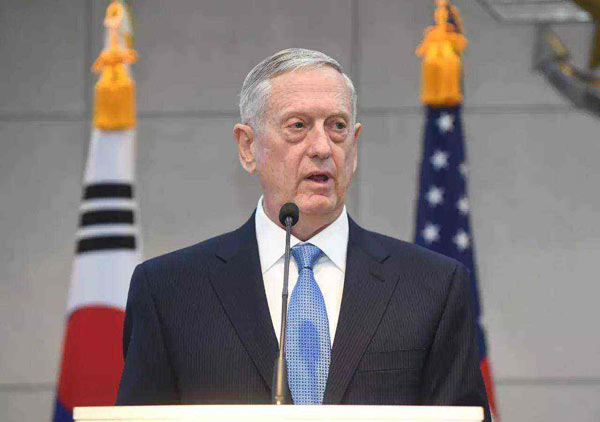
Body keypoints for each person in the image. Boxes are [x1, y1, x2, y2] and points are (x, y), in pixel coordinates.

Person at [116, 48, 490, 420]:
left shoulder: (432, 286)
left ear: (354, 145)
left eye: (337, 126)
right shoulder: (170, 290)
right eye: (298, 126)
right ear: (248, 147)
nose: (322, 147)